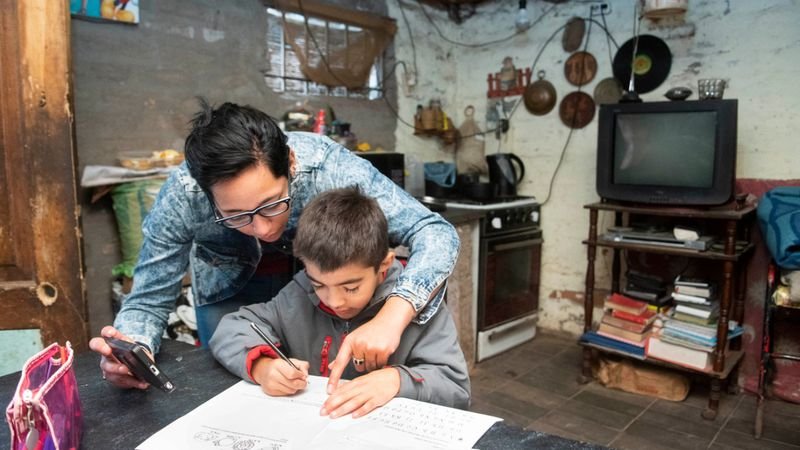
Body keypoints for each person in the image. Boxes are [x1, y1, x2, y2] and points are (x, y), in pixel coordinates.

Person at [88, 99, 460, 392]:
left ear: (291, 164)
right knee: (235, 379)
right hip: (229, 290)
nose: (263, 230)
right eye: (236, 216)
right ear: (206, 194)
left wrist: (394, 315)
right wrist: (133, 351)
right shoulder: (183, 196)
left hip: (312, 283)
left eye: (272, 205)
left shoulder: (327, 168)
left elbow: (434, 232)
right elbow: (148, 299)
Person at [210, 187, 470, 418]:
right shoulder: (298, 296)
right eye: (319, 284)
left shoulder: (420, 307)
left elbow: (456, 389)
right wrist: (263, 366)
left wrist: (396, 380)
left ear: (384, 265)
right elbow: (232, 327)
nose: (334, 301)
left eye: (351, 287)